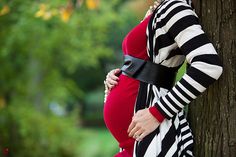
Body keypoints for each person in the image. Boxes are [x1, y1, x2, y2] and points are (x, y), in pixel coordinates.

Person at [103, 0, 223, 157]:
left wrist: (158, 112)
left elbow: (208, 65)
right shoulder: (158, 9)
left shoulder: (175, 7)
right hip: (134, 143)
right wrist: (119, 76)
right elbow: (145, 60)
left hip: (153, 138)